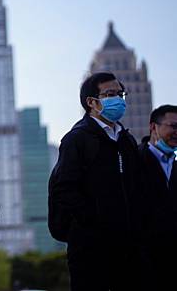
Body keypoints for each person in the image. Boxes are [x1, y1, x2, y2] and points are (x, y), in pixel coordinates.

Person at [49, 72, 143, 291]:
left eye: (121, 94)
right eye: (110, 94)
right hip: (90, 246)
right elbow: (64, 188)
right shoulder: (77, 139)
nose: (118, 100)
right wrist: (93, 222)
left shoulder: (126, 139)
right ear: (91, 102)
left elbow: (137, 187)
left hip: (128, 244)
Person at [137, 104, 177, 289]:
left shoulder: (174, 166)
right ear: (154, 127)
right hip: (142, 262)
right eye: (173, 126)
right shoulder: (133, 161)